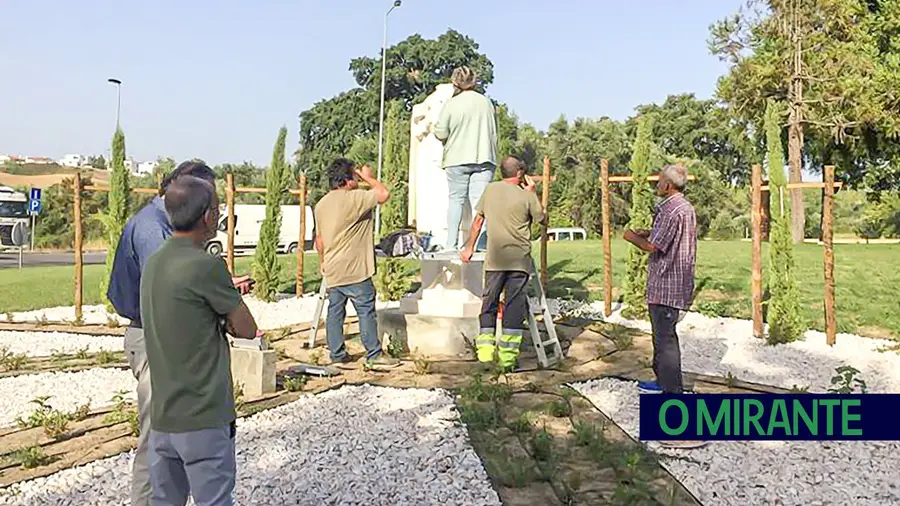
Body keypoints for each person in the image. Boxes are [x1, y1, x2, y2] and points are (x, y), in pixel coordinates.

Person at [141, 175, 258, 506]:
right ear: (208, 216)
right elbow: (247, 329)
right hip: (203, 416)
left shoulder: (154, 263)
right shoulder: (206, 265)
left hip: (164, 416)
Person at [106, 160, 217, 506]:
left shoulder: (161, 222)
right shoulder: (154, 228)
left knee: (171, 440)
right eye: (208, 201)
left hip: (157, 336)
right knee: (158, 441)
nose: (209, 211)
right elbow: (171, 295)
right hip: (155, 338)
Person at [314, 158, 400, 368]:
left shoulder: (321, 204)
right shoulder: (355, 198)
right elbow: (383, 194)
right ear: (348, 179)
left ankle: (337, 355)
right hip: (355, 268)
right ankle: (374, 354)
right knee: (365, 311)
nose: (358, 180)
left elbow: (319, 240)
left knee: (335, 312)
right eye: (355, 176)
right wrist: (369, 177)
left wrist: (322, 262)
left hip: (333, 268)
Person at [461, 157, 543, 372]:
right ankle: (507, 358)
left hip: (494, 260)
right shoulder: (527, 196)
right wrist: (533, 192)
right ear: (520, 173)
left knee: (489, 303)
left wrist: (469, 247)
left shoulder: (490, 190)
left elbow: (478, 221)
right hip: (519, 261)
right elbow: (542, 218)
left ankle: (485, 355)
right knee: (513, 307)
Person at [434, 66, 498, 251]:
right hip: (484, 156)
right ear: (474, 81)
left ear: (455, 82)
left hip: (457, 158)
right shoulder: (486, 102)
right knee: (481, 203)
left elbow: (440, 132)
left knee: (456, 200)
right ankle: (481, 243)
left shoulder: (452, 104)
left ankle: (451, 244)